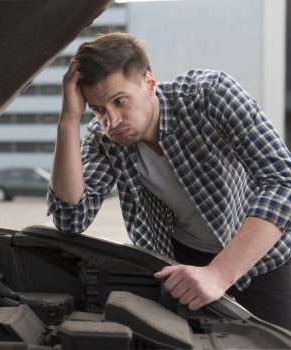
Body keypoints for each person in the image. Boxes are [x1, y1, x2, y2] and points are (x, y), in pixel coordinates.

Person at [46, 32, 291, 330]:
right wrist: (69, 119)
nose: (112, 121)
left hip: (260, 255)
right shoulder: (103, 139)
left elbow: (281, 182)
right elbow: (71, 218)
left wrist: (219, 274)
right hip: (183, 261)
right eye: (98, 110)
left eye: (119, 101)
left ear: (149, 83)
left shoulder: (210, 94)